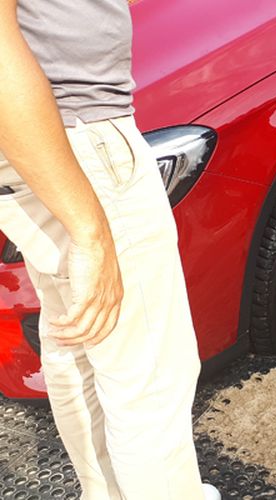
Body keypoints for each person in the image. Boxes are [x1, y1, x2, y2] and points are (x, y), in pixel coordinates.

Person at [0, 1, 219, 499]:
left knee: (78, 347)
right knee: (149, 380)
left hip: (40, 147)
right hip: (77, 140)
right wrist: (91, 229)